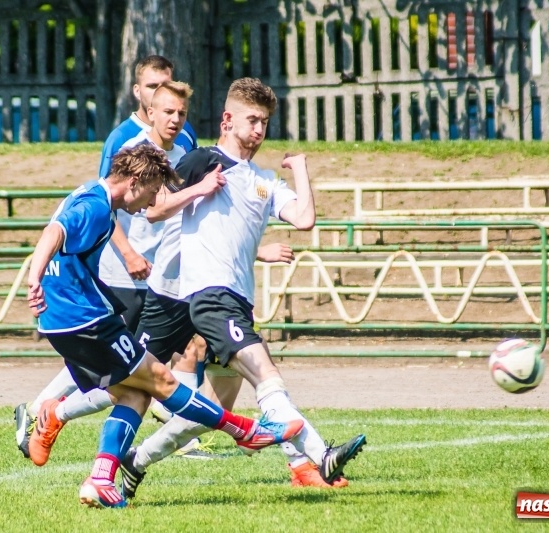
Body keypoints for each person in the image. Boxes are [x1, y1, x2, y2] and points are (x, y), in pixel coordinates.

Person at [118, 78, 366, 499]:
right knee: (266, 374)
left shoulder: (263, 180)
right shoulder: (203, 160)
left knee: (213, 410)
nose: (259, 129)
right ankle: (315, 455)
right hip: (209, 298)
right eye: (252, 119)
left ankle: (135, 462)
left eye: (265, 122)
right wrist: (199, 188)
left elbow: (304, 219)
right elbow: (155, 209)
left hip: (238, 300)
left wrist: (301, 168)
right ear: (228, 119)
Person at [25, 142, 303, 509]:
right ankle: (244, 430)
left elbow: (55, 228)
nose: (150, 203)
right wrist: (34, 279)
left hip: (66, 319)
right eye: (154, 190)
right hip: (83, 318)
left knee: (133, 393)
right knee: (162, 380)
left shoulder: (88, 192)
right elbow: (54, 232)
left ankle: (100, 478)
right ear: (137, 181)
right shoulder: (97, 207)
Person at [14, 56, 200, 459]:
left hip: (165, 270)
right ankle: (42, 411)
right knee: (127, 368)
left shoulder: (186, 141)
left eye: (171, 94)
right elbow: (106, 199)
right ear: (143, 98)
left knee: (144, 363)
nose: (167, 106)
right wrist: (129, 251)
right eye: (154, 90)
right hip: (125, 273)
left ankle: (181, 430)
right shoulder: (126, 142)